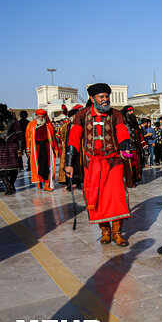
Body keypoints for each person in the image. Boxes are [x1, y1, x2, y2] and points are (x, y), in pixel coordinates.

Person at [65, 83, 133, 246]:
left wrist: (125, 148)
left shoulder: (116, 114)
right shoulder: (82, 115)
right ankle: (105, 232)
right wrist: (69, 163)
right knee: (97, 199)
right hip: (92, 164)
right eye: (101, 97)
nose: (105, 100)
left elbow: (122, 132)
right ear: (92, 98)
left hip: (113, 162)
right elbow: (73, 139)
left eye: (106, 96)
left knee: (117, 198)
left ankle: (117, 232)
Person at [0, 103, 23, 195]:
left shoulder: (13, 121)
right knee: (1, 170)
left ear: (1, 112)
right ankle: (8, 186)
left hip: (12, 146)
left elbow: (19, 134)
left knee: (14, 169)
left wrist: (20, 148)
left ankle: (11, 184)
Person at [26, 109, 58, 191]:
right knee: (38, 166)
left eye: (42, 117)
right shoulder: (31, 125)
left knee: (48, 166)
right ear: (36, 116)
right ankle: (39, 181)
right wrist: (28, 149)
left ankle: (47, 184)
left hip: (47, 149)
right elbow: (28, 137)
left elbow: (53, 138)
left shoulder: (49, 125)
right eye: (39, 117)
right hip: (35, 149)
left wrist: (55, 148)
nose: (40, 118)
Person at [58, 105, 84, 191]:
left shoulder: (81, 125)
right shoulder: (66, 126)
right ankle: (69, 183)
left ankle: (79, 182)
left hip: (79, 149)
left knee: (79, 166)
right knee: (68, 166)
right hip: (68, 149)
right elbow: (62, 136)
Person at [121, 105, 145, 187]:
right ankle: (130, 182)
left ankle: (135, 179)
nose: (132, 112)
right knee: (128, 167)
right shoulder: (123, 123)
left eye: (132, 111)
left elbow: (139, 135)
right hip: (127, 148)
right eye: (130, 111)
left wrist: (143, 144)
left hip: (136, 147)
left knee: (136, 165)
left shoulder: (135, 123)